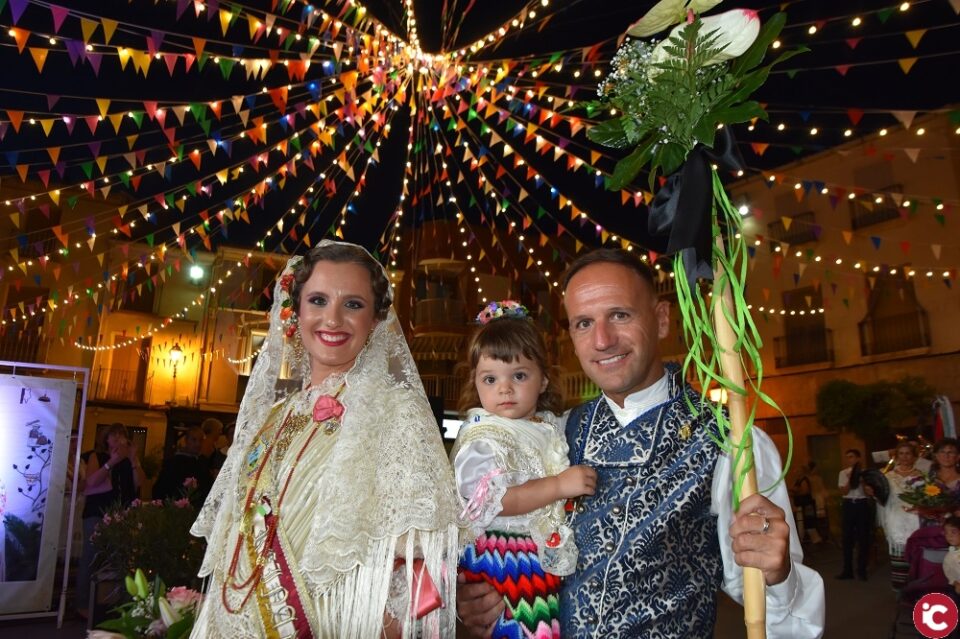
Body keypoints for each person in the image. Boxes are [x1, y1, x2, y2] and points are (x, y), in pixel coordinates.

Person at [458, 248, 824, 638]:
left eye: (619, 315)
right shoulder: (556, 433)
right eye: (584, 323)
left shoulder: (731, 443)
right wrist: (476, 600)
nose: (602, 340)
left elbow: (787, 620)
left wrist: (778, 573)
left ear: (662, 319)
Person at [189, 241, 461, 638]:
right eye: (318, 300)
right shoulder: (275, 417)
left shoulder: (395, 412)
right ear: (295, 312)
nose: (332, 319)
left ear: (375, 320)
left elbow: (419, 567)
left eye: (353, 304)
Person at [452, 301, 597, 638]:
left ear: (543, 380)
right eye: (490, 378)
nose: (504, 388)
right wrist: (559, 486)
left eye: (519, 375)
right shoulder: (483, 437)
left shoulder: (546, 425)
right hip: (502, 550)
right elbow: (496, 501)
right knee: (530, 627)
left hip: (531, 547)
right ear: (475, 383)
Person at [75, 423, 144, 618]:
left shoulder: (128, 460)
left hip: (122, 514)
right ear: (106, 439)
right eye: (113, 435)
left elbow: (140, 483)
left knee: (118, 558)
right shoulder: (97, 456)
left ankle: (114, 602)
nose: (118, 438)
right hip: (97, 512)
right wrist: (111, 462)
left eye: (122, 435)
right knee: (90, 556)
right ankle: (82, 603)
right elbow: (91, 482)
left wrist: (133, 460)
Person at [869, 441, 922, 589]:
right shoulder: (887, 476)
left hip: (916, 521)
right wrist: (874, 493)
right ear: (897, 456)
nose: (905, 457)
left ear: (914, 457)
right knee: (899, 558)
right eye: (901, 454)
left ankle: (917, 591)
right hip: (895, 519)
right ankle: (901, 593)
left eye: (908, 454)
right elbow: (882, 498)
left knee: (917, 559)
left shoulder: (922, 477)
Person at [837, 449, 872, 580]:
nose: (849, 460)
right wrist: (850, 479)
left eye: (851, 457)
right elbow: (844, 492)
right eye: (847, 457)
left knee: (863, 538)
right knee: (847, 538)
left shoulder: (865, 473)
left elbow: (869, 493)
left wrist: (862, 480)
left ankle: (862, 570)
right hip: (848, 504)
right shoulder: (843, 473)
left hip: (862, 504)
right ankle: (847, 570)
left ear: (858, 458)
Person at [152, 426, 210, 503]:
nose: (198, 444)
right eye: (194, 439)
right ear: (186, 440)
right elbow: (162, 487)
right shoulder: (173, 462)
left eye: (201, 440)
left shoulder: (202, 462)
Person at [942, 516, 960, 594]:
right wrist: (955, 583)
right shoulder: (949, 556)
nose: (949, 536)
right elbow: (949, 573)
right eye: (946, 533)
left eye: (953, 532)